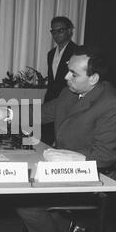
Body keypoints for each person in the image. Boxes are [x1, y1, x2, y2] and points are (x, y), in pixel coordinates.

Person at [16, 45, 116, 232]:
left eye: (73, 73)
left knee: (20, 197)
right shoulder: (70, 91)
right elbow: (44, 112)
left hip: (91, 177)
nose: (66, 76)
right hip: (60, 168)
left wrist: (68, 157)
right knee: (18, 188)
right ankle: (67, 227)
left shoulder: (112, 105)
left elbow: (104, 156)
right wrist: (9, 113)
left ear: (93, 78)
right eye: (67, 69)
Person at [42, 16, 78, 145]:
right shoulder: (51, 54)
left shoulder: (78, 52)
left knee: (64, 140)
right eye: (53, 31)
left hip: (69, 100)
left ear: (69, 31)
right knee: (45, 139)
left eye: (60, 30)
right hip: (51, 100)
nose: (56, 34)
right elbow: (52, 80)